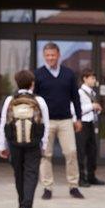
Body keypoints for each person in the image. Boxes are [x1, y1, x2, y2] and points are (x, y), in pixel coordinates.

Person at [0, 69, 50, 208]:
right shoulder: (39, 101)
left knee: (18, 174)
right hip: (34, 143)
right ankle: (27, 207)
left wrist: (2, 145)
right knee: (31, 174)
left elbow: (3, 123)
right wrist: (44, 144)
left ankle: (22, 204)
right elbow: (46, 124)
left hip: (14, 143)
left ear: (17, 83)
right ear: (32, 84)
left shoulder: (9, 100)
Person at [35, 42, 84, 199]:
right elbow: (34, 100)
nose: (50, 58)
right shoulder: (38, 74)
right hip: (46, 122)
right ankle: (47, 188)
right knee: (45, 155)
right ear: (44, 56)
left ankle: (73, 186)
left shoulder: (69, 74)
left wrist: (79, 118)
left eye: (53, 55)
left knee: (71, 152)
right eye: (47, 55)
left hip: (65, 121)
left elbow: (75, 98)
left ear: (58, 55)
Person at [76, 69, 105, 186]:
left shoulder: (92, 93)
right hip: (82, 125)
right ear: (85, 79)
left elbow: (91, 110)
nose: (94, 80)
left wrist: (96, 110)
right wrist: (92, 106)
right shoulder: (79, 93)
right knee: (81, 152)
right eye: (92, 78)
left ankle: (91, 176)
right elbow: (78, 110)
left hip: (90, 124)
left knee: (92, 151)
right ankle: (81, 178)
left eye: (94, 78)